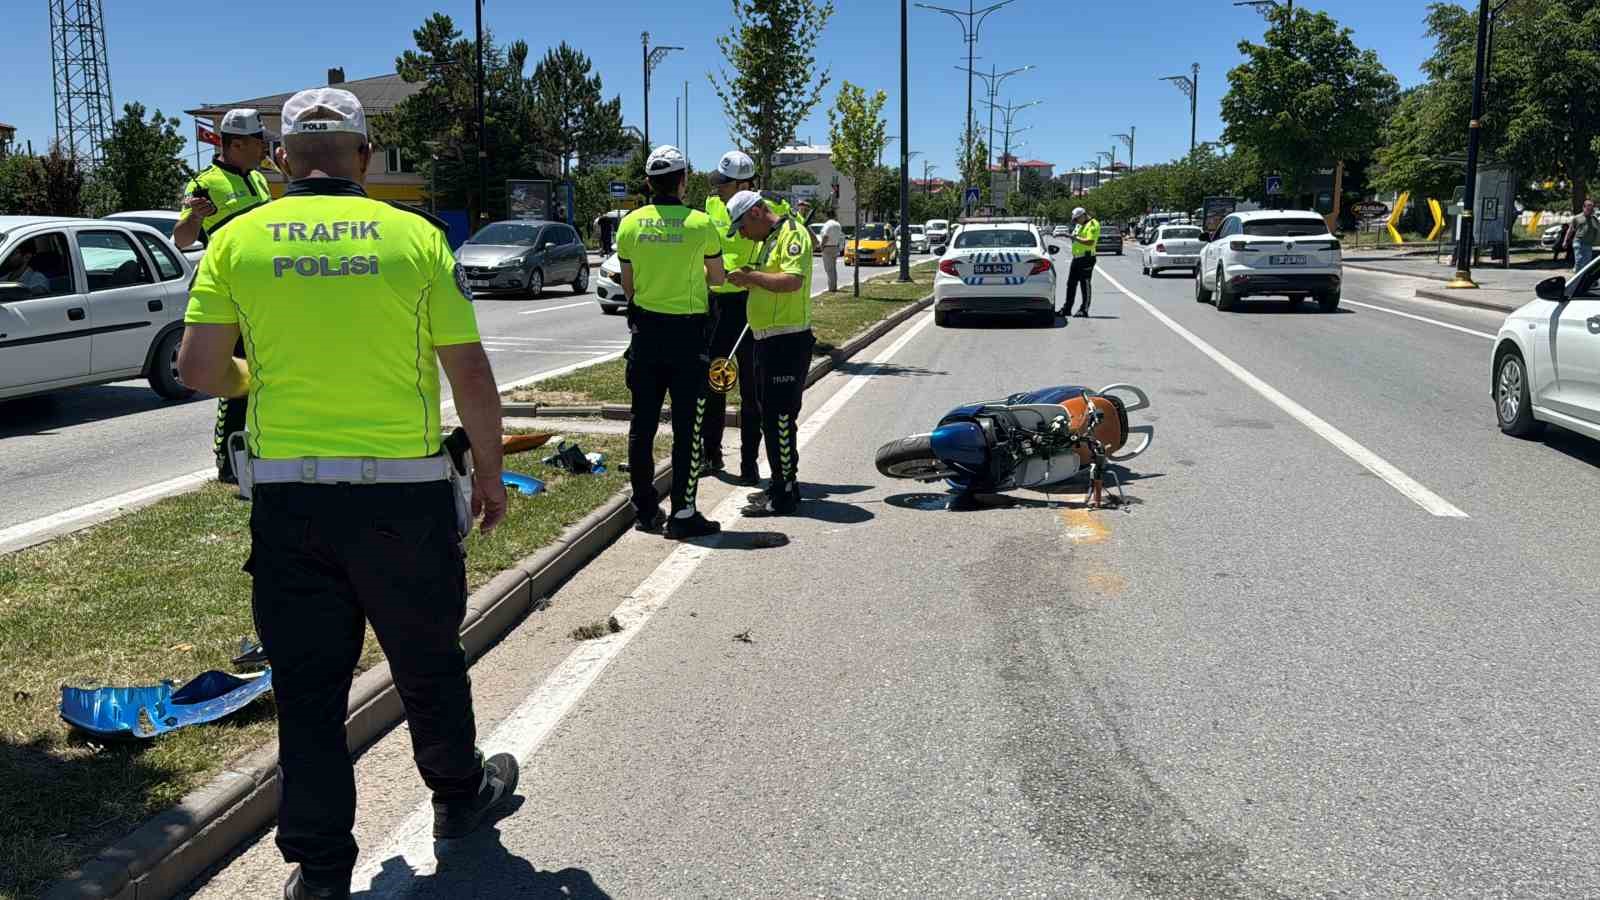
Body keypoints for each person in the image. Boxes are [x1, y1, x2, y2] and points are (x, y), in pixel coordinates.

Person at [177, 87, 518, 900]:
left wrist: (250, 376)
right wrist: (493, 473)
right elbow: (467, 371)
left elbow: (196, 371)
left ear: (284, 159)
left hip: (292, 506)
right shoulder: (414, 237)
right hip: (402, 502)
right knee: (428, 660)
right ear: (364, 157)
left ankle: (323, 871)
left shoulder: (238, 240)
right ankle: (457, 798)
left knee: (309, 690)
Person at [616, 145, 726, 539]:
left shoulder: (630, 224)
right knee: (687, 429)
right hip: (688, 337)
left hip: (645, 335)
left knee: (641, 426)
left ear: (648, 183)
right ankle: (683, 513)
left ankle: (645, 510)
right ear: (683, 181)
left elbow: (628, 286)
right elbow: (717, 279)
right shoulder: (701, 224)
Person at [176, 109, 277, 485]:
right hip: (228, 293)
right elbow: (182, 239)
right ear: (236, 144)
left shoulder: (259, 179)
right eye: (258, 141)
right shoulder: (205, 183)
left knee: (266, 375)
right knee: (237, 379)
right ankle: (229, 462)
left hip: (263, 291)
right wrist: (194, 218)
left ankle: (264, 446)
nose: (264, 147)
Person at [724, 190, 814, 515]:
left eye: (743, 227)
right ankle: (782, 484)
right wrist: (750, 278)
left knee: (778, 419)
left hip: (786, 341)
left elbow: (792, 281)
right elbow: (769, 280)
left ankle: (784, 494)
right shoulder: (767, 241)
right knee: (771, 417)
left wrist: (752, 277)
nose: (743, 235)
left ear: (757, 213)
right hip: (767, 339)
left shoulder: (792, 234)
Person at [702, 150, 764, 486]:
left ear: (745, 184)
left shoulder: (767, 210)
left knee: (751, 391)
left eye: (725, 184)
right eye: (719, 182)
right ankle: (711, 453)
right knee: (715, 382)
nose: (718, 189)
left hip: (750, 304)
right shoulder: (710, 207)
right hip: (718, 308)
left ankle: (749, 463)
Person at [1059, 206, 1101, 318]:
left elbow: (1090, 242)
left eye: (1077, 219)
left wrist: (1073, 237)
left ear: (1083, 215)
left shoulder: (1093, 224)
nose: (1076, 221)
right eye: (1075, 220)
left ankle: (1084, 309)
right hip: (1076, 258)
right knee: (1071, 284)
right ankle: (1067, 308)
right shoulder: (1079, 225)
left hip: (1087, 258)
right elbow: (1075, 237)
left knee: (1085, 284)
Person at [816, 204, 844, 292]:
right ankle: (834, 286)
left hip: (827, 248)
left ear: (827, 216)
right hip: (835, 247)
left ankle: (831, 288)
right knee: (833, 269)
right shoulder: (838, 224)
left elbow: (825, 236)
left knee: (829, 269)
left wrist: (821, 246)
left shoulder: (827, 224)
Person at [1572, 199, 1598, 273]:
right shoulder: (1577, 218)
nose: (1590, 209)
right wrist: (1565, 241)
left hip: (1588, 244)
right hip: (1578, 242)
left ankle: (1582, 280)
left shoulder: (1594, 219)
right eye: (1588, 208)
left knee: (1586, 265)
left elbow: (1597, 230)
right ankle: (1576, 279)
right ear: (1584, 207)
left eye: (1592, 208)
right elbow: (1570, 230)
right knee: (1579, 262)